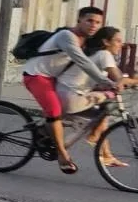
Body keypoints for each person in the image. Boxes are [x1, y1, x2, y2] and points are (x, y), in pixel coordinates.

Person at [21, 6, 115, 174]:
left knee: (79, 109)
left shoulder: (85, 41)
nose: (93, 25)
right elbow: (82, 62)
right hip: (36, 76)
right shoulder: (67, 36)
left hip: (54, 79)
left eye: (98, 23)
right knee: (54, 111)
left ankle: (44, 132)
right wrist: (105, 81)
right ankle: (62, 155)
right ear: (79, 20)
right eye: (89, 21)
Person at [57, 26, 138, 167]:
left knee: (103, 114)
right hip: (71, 96)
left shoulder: (95, 54)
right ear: (106, 42)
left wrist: (127, 82)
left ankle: (105, 154)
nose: (121, 45)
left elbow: (112, 81)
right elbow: (119, 79)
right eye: (118, 41)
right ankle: (93, 137)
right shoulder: (104, 54)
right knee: (108, 103)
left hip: (66, 93)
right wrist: (132, 81)